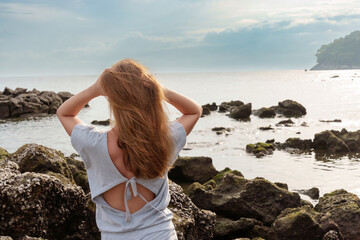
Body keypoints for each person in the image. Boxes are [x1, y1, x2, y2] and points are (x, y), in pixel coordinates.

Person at [57, 58, 202, 240]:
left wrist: (94, 90)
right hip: (161, 234)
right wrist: (157, 88)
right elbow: (194, 111)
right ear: (149, 92)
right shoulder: (165, 140)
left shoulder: (93, 143)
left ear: (111, 98)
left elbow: (64, 113)